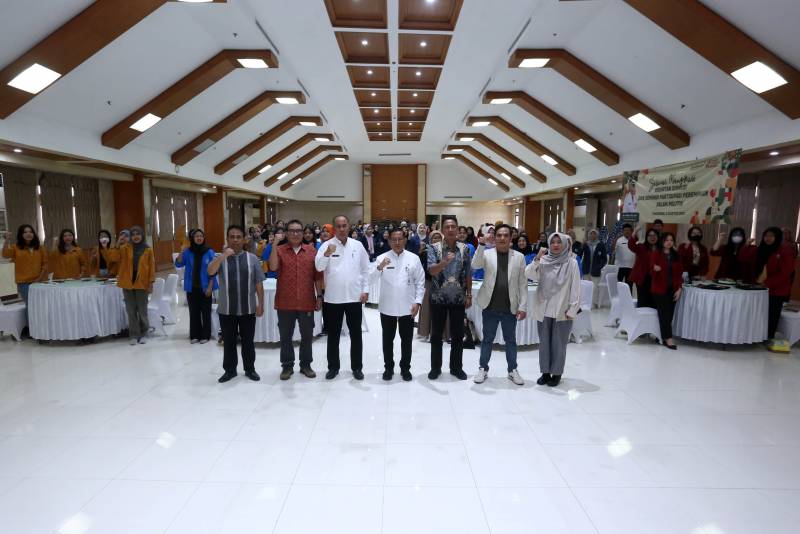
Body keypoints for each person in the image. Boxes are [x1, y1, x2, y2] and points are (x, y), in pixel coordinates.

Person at [315, 215, 370, 380]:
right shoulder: (326, 245)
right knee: (333, 335)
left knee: (356, 335)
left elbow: (365, 269)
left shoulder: (357, 245)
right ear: (334, 228)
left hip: (354, 297)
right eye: (338, 226)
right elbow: (318, 267)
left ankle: (357, 367)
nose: (341, 229)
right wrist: (326, 254)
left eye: (344, 225)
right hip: (333, 299)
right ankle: (333, 367)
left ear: (349, 226)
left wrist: (365, 290)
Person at [208, 225, 265, 383]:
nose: (235, 240)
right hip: (227, 309)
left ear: (244, 239)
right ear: (227, 239)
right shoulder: (220, 258)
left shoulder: (252, 258)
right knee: (229, 342)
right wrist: (223, 256)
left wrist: (261, 304)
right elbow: (210, 272)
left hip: (248, 308)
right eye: (232, 237)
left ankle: (250, 369)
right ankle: (230, 370)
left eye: (238, 237)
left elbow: (258, 283)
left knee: (248, 342)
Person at [472, 224, 528, 385]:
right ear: (494, 237)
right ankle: (483, 368)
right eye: (499, 235)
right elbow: (475, 265)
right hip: (490, 306)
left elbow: (523, 284)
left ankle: (512, 370)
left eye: (505, 235)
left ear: (511, 238)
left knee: (510, 340)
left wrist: (523, 306)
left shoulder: (519, 257)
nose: (502, 238)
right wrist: (481, 244)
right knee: (487, 340)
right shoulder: (487, 253)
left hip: (510, 307)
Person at [269, 219, 323, 380]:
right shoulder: (279, 250)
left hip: (306, 301)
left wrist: (319, 296)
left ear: (303, 233)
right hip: (285, 302)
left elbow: (317, 276)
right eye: (292, 230)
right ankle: (287, 366)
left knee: (307, 336)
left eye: (299, 231)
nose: (295, 233)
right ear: (286, 233)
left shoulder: (312, 251)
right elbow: (273, 267)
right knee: (286, 337)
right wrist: (274, 244)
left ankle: (306, 365)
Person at [525, 233, 581, 387]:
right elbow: (529, 274)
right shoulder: (543, 261)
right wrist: (537, 258)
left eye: (559, 242)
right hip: (544, 309)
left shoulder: (571, 263)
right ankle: (545, 372)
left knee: (559, 344)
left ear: (565, 244)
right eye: (553, 242)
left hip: (562, 310)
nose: (555, 245)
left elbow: (576, 287)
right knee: (544, 343)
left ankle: (556, 373)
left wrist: (572, 309)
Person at [371, 228, 426, 381]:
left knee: (406, 341)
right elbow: (370, 280)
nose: (397, 242)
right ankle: (388, 368)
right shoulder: (381, 258)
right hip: (387, 307)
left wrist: (418, 302)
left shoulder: (414, 258)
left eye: (400, 239)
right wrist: (379, 267)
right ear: (389, 241)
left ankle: (405, 368)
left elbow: (420, 282)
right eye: (393, 239)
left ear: (405, 240)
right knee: (387, 340)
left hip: (408, 307)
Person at [427, 216, 472, 380]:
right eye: (447, 227)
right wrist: (444, 262)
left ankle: (456, 368)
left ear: (458, 229)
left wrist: (469, 294)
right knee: (436, 335)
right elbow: (431, 271)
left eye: (453, 226)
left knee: (458, 335)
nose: (451, 229)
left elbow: (468, 273)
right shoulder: (433, 248)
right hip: (438, 298)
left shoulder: (464, 249)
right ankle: (435, 368)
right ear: (442, 230)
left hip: (458, 298)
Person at [112, 226, 155, 345]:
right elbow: (113, 258)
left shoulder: (148, 250)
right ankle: (134, 334)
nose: (136, 236)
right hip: (127, 283)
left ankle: (144, 332)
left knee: (142, 310)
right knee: (131, 310)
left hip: (142, 283)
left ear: (142, 235)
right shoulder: (125, 248)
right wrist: (117, 244)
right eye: (133, 234)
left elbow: (151, 268)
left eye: (138, 234)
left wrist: (151, 283)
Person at [175, 229, 217, 344]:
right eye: (196, 236)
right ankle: (195, 335)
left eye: (201, 236)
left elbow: (214, 271)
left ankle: (205, 335)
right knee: (194, 312)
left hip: (205, 287)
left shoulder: (209, 251)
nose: (199, 238)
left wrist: (210, 287)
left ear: (204, 238)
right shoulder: (188, 252)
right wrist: (181, 251)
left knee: (206, 312)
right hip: (192, 287)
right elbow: (178, 263)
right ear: (192, 239)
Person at [756, 227, 795, 343]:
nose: (768, 238)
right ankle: (757, 335)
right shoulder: (763, 248)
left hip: (777, 290)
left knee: (772, 315)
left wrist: (767, 284)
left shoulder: (785, 251)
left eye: (771, 236)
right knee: (760, 314)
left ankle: (768, 337)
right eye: (766, 235)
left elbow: (785, 273)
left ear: (777, 237)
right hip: (761, 287)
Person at [650, 232, 683, 349]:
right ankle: (668, 338)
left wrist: (679, 288)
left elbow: (679, 274)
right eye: (666, 240)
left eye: (671, 240)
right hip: (659, 289)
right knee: (664, 314)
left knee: (669, 315)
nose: (669, 242)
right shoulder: (656, 254)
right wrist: (655, 269)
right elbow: (651, 270)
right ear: (662, 241)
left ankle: (660, 335)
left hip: (673, 289)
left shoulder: (676, 255)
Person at [2, 225, 47, 303]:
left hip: (39, 280)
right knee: (30, 304)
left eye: (31, 232)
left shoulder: (40, 248)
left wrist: (39, 278)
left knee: (40, 304)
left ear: (34, 234)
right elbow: (5, 255)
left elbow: (45, 264)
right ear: (21, 235)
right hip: (23, 282)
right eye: (25, 232)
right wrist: (7, 240)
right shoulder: (16, 247)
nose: (28, 234)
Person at [417, 229, 442, 340]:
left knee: (440, 308)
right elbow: (420, 266)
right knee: (427, 308)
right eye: (434, 238)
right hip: (429, 281)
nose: (436, 240)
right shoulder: (425, 251)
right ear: (430, 240)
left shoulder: (445, 251)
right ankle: (425, 332)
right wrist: (420, 252)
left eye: (438, 238)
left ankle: (438, 333)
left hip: (441, 283)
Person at [628, 227, 660, 308]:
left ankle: (651, 315)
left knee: (653, 300)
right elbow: (631, 246)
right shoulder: (641, 247)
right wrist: (634, 233)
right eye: (650, 235)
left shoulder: (661, 249)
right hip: (642, 278)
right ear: (646, 237)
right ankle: (641, 315)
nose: (652, 237)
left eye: (654, 235)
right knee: (642, 300)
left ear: (658, 237)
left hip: (655, 278)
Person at [581, 229, 607, 307]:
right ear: (588, 235)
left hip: (596, 270)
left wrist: (599, 267)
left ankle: (593, 302)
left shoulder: (601, 245)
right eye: (591, 234)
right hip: (586, 270)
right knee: (586, 287)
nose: (592, 235)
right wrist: (582, 245)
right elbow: (579, 253)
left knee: (595, 288)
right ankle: (586, 302)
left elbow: (604, 259)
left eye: (594, 234)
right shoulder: (586, 244)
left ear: (597, 235)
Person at [614, 224, 636, 288]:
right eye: (625, 230)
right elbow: (614, 251)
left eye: (628, 230)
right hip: (620, 266)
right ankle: (618, 294)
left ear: (631, 231)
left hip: (631, 266)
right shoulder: (619, 240)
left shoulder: (634, 240)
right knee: (618, 284)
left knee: (629, 285)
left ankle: (628, 295)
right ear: (623, 231)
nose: (627, 232)